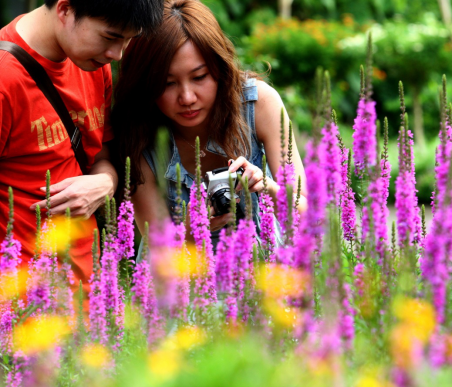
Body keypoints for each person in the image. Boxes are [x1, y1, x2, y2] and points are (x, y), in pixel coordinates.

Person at [111, 0, 306, 248]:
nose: (187, 98)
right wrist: (190, 231)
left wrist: (266, 187)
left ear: (220, 69)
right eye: (168, 83)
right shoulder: (138, 138)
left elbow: (309, 217)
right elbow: (159, 247)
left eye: (199, 77)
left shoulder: (259, 104)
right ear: (146, 85)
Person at [0, 0, 163, 290]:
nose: (116, 54)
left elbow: (99, 154)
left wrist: (105, 183)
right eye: (110, 37)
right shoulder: (6, 78)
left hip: (88, 294)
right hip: (20, 298)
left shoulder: (92, 65)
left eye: (127, 40)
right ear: (65, 10)